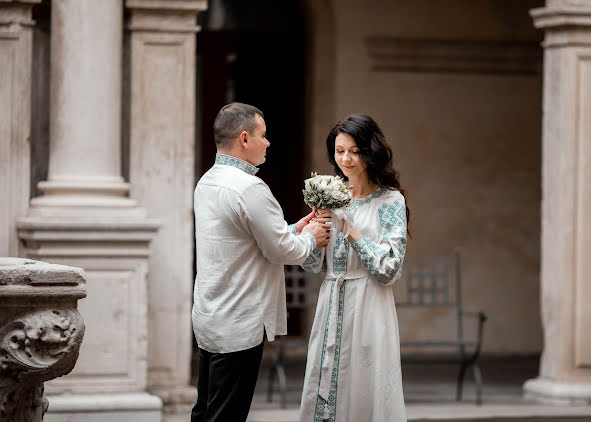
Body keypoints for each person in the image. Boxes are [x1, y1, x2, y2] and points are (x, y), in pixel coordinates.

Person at [191, 102, 330, 422]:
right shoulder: (249, 187)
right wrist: (311, 238)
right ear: (244, 138)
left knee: (205, 411)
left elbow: (253, 239)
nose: (267, 143)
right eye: (263, 135)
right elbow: (282, 250)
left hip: (211, 315)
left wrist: (296, 228)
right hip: (239, 319)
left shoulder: (208, 181)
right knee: (226, 416)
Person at [299, 114, 410, 422]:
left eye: (354, 151)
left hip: (370, 306)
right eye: (339, 151)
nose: (345, 158)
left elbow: (388, 269)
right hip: (332, 301)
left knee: (365, 388)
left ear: (369, 151)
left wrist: (351, 230)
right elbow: (313, 266)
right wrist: (312, 233)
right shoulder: (331, 196)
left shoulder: (390, 201)